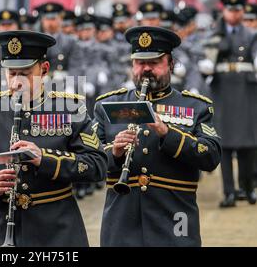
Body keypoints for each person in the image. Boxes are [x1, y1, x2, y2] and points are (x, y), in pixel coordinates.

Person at [94, 26, 221, 246]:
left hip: (174, 218)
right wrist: (113, 152)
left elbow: (210, 156)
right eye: (140, 63)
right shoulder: (109, 105)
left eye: (154, 63)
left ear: (170, 64)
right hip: (122, 220)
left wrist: (167, 134)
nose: (146, 69)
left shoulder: (195, 106)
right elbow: (89, 160)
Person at [0, 30, 106, 246]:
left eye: (26, 73)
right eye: (11, 74)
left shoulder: (70, 108)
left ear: (44, 69)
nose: (16, 83)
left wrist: (44, 158)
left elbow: (97, 165)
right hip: (4, 226)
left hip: (56, 230)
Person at [199, 0, 257, 207]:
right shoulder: (215, 34)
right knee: (225, 144)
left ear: (243, 11)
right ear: (224, 11)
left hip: (246, 90)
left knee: (248, 144)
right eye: (230, 10)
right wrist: (205, 66)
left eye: (238, 10)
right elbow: (204, 58)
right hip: (222, 90)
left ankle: (248, 188)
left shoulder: (251, 34)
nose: (234, 13)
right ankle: (229, 192)